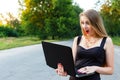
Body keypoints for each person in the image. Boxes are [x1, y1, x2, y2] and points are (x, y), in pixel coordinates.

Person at [55, 9, 114, 80]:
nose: (84, 26)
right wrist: (64, 70)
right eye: (82, 23)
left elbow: (110, 70)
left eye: (88, 23)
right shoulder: (77, 39)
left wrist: (95, 68)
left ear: (96, 24)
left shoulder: (107, 41)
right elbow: (72, 64)